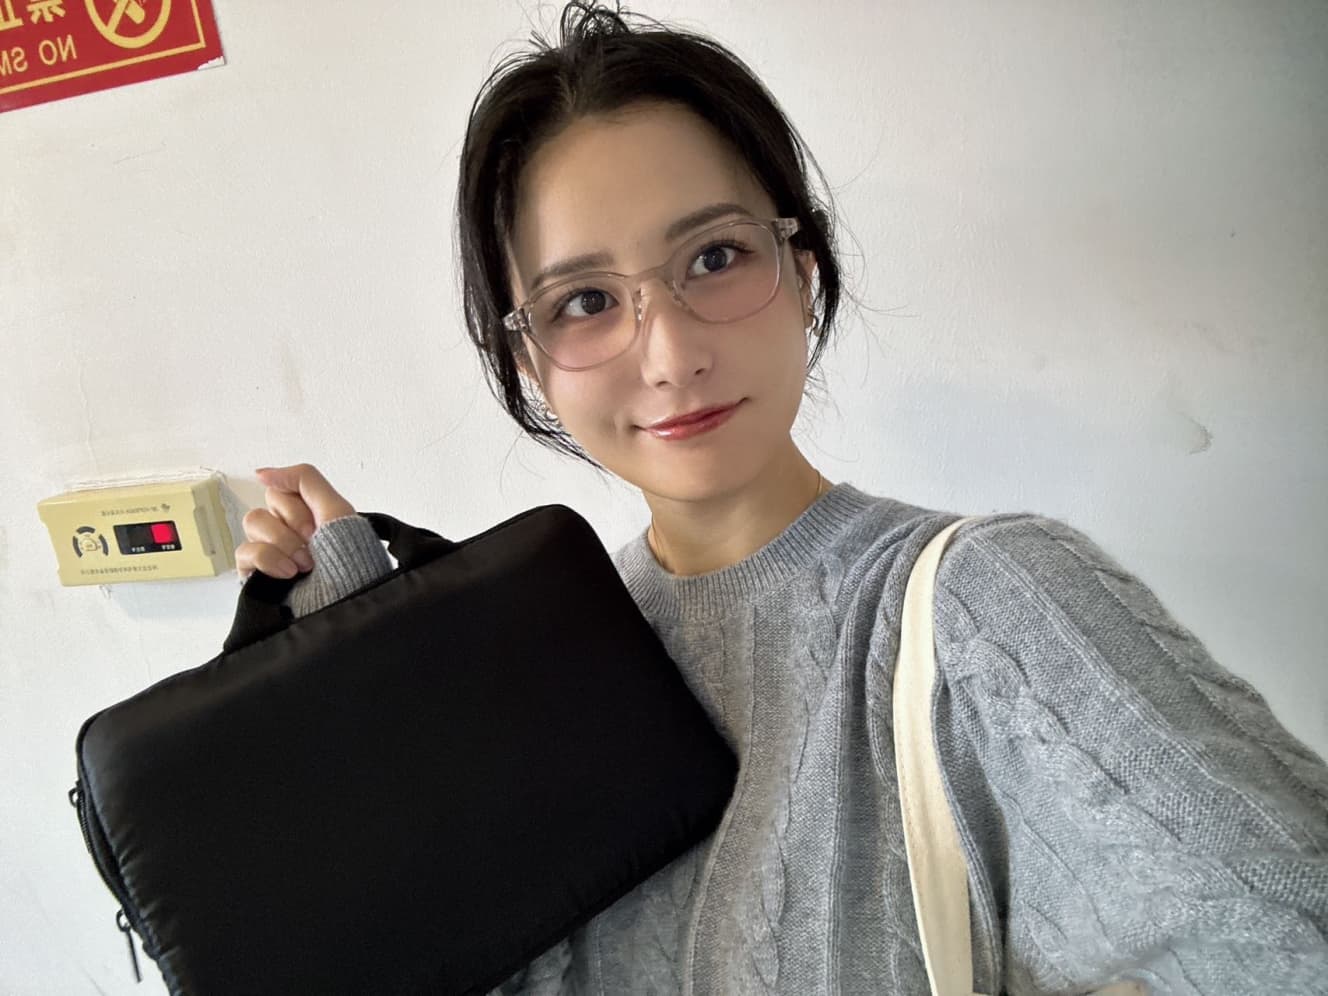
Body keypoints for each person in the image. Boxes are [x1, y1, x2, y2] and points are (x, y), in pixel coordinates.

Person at [235, 3, 1328, 993]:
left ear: (801, 270)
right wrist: (359, 686)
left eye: (714, 256)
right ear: (530, 362)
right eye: (584, 302)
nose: (669, 354)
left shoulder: (988, 609)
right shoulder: (533, 663)